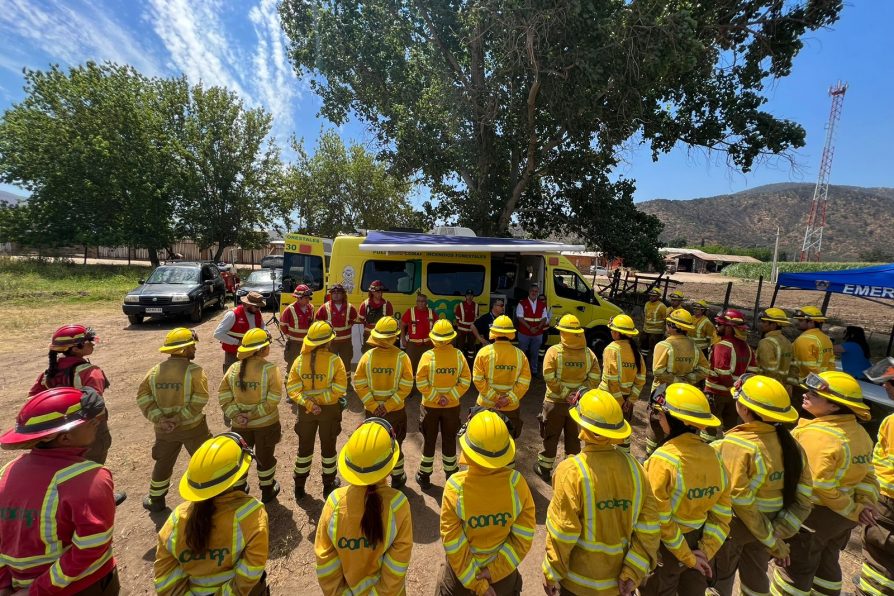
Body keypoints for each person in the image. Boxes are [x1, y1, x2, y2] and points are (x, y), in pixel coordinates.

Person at [0, 387, 119, 594]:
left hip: (19, 585)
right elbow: (92, 547)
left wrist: (4, 585)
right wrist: (37, 590)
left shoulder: (6, 472)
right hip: (82, 587)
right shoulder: (90, 478)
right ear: (65, 438)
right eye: (92, 423)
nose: (96, 424)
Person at [542, 389, 660, 596]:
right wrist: (633, 571)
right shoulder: (636, 470)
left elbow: (562, 532)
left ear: (583, 428)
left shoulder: (571, 471)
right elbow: (649, 528)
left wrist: (551, 573)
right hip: (619, 586)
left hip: (576, 585)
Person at [772, 371, 879, 596]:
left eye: (814, 394)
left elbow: (818, 485)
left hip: (813, 517)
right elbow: (869, 475)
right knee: (827, 563)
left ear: (834, 407)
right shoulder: (860, 433)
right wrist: (863, 504)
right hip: (842, 520)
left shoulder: (819, 436)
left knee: (796, 569)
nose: (806, 395)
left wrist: (854, 508)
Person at [711, 374, 813, 596]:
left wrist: (769, 536)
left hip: (734, 530)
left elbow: (739, 499)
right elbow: (805, 498)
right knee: (756, 582)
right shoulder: (793, 445)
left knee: (719, 582)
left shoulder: (737, 445)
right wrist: (777, 534)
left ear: (745, 410)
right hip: (770, 528)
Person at [640, 384, 732, 596]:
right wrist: (704, 551)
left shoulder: (662, 461)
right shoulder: (715, 457)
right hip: (700, 547)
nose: (659, 419)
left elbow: (658, 518)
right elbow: (723, 515)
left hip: (666, 550)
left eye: (660, 415)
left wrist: (686, 556)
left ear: (676, 420)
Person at [154, 433, 269, 595]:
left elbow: (164, 579)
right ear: (236, 476)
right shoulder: (251, 513)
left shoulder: (175, 519)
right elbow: (252, 569)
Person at [437, 410, 536, 595]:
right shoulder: (516, 483)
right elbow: (523, 537)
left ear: (467, 448)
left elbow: (453, 543)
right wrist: (495, 570)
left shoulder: (455, 487)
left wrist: (477, 583)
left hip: (461, 580)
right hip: (502, 581)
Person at [315, 418, 413, 595]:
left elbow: (325, 563)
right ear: (390, 468)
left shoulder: (334, 503)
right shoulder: (398, 505)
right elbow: (396, 568)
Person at [138, 328, 211, 513]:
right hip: (193, 428)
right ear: (184, 349)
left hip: (164, 431)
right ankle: (211, 496)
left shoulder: (154, 372)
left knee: (163, 463)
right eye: (192, 346)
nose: (194, 349)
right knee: (203, 460)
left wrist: (160, 419)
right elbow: (201, 399)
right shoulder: (194, 371)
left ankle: (156, 499)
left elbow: (143, 398)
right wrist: (179, 418)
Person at [29, 324, 112, 465]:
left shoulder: (48, 373)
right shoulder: (91, 372)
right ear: (75, 348)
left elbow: (32, 399)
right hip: (89, 431)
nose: (92, 344)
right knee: (89, 470)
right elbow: (96, 405)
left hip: (59, 433)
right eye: (89, 341)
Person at [533, 314, 601, 481]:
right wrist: (577, 395)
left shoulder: (553, 352)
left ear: (563, 333)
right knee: (573, 439)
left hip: (554, 402)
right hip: (577, 406)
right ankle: (571, 471)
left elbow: (548, 377)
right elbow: (595, 379)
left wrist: (564, 393)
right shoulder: (589, 354)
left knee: (550, 436)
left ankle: (545, 468)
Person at [219, 328, 283, 503]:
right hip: (266, 425)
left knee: (241, 459)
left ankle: (240, 490)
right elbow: (273, 399)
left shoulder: (233, 368)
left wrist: (237, 415)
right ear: (262, 350)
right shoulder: (270, 369)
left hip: (240, 426)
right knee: (265, 458)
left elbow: (224, 396)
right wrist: (253, 414)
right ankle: (267, 490)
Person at [288, 321, 348, 500]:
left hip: (305, 412)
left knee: (304, 450)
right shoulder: (335, 361)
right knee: (328, 449)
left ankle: (299, 486)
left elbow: (293, 389)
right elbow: (339, 389)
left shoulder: (299, 360)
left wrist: (309, 404)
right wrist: (320, 402)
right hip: (329, 411)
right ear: (328, 342)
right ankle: (328, 485)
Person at [353, 317, 415, 488]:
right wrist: (388, 406)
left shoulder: (367, 357)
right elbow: (406, 385)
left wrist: (374, 406)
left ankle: (375, 479)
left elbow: (359, 383)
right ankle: (398, 478)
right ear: (394, 336)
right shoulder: (402, 357)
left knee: (373, 445)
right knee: (396, 445)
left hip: (372, 412)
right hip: (395, 412)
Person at [415, 319, 472, 489]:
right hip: (451, 407)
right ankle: (451, 474)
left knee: (429, 439)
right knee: (449, 440)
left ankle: (424, 476)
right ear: (451, 337)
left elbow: (420, 381)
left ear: (433, 338)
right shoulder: (458, 355)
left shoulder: (427, 356)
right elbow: (465, 379)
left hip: (430, 407)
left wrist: (436, 397)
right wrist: (449, 397)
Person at [645, 309, 710, 455]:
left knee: (655, 425)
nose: (666, 326)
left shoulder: (664, 345)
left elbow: (658, 371)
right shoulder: (694, 347)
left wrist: (676, 380)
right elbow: (705, 369)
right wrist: (687, 380)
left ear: (674, 327)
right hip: (683, 394)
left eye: (668, 323)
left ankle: (651, 455)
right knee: (677, 424)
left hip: (662, 392)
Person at [858, 371, 894, 596]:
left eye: (889, 384)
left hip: (888, 500)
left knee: (879, 552)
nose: (885, 388)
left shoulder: (891, 422)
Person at [472, 315, 532, 439]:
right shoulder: (520, 355)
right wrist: (507, 399)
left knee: (483, 442)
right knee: (507, 443)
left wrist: (494, 398)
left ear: (493, 332)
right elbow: (524, 383)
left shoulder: (483, 353)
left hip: (485, 405)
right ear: (511, 334)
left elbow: (478, 380)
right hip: (510, 408)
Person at [704, 309, 758, 438]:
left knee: (708, 427)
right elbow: (752, 373)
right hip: (735, 396)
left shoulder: (722, 346)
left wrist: (731, 388)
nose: (717, 327)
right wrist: (737, 391)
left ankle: (707, 448)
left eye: (720, 324)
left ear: (729, 328)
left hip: (716, 394)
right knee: (730, 427)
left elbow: (722, 372)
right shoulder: (748, 348)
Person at [598, 314, 647, 454]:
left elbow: (611, 380)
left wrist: (619, 401)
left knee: (603, 432)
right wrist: (630, 400)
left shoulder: (611, 349)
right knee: (623, 433)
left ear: (618, 333)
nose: (611, 332)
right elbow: (641, 379)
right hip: (627, 402)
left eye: (613, 330)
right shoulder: (637, 353)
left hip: (609, 399)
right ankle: (623, 460)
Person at [214, 291, 265, 374]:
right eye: (256, 307)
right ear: (246, 304)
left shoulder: (257, 313)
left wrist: (266, 332)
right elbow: (218, 334)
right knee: (232, 376)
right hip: (234, 353)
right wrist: (237, 342)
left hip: (252, 352)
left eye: (260, 307)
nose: (259, 309)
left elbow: (262, 325)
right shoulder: (232, 315)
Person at [315, 283, 360, 373]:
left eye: (339, 293)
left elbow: (354, 319)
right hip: (331, 343)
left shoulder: (350, 307)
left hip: (345, 343)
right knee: (330, 363)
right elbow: (318, 321)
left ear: (343, 294)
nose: (336, 295)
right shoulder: (325, 307)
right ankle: (331, 383)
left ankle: (347, 383)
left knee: (346, 363)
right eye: (334, 293)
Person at [755, 307, 796, 391]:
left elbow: (770, 370)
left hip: (767, 386)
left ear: (773, 325)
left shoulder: (765, 343)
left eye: (764, 322)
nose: (761, 324)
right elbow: (793, 366)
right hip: (783, 386)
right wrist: (788, 384)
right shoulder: (787, 341)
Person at [280, 283, 315, 375]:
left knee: (306, 364)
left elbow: (311, 323)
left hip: (307, 343)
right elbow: (283, 326)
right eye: (306, 298)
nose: (308, 300)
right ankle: (289, 384)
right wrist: (290, 336)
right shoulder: (289, 309)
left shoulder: (311, 308)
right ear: (298, 298)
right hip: (294, 344)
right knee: (292, 365)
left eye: (309, 298)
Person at [516, 283, 549, 378]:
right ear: (529, 292)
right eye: (532, 291)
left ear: (538, 293)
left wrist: (538, 328)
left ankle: (534, 371)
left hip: (537, 333)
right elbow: (520, 317)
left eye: (536, 291)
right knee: (522, 353)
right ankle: (521, 371)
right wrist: (530, 328)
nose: (534, 293)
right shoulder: (522, 303)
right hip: (524, 333)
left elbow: (544, 318)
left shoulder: (542, 305)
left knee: (535, 353)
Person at [401, 291, 436, 372]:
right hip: (413, 345)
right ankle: (412, 383)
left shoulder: (431, 312)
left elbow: (437, 326)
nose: (420, 303)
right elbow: (402, 324)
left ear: (426, 303)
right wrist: (403, 338)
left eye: (423, 301)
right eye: (418, 301)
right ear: (416, 302)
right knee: (411, 366)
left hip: (428, 345)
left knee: (426, 366)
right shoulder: (410, 311)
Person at [358, 280, 394, 354]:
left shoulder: (387, 304)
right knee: (368, 355)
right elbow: (361, 319)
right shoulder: (364, 304)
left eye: (381, 292)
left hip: (382, 336)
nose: (380, 294)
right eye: (378, 292)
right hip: (369, 336)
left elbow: (390, 321)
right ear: (372, 292)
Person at [641, 289, 668, 363]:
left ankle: (654, 363)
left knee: (655, 349)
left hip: (657, 332)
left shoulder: (662, 306)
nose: (651, 297)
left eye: (653, 296)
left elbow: (666, 319)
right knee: (644, 347)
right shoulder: (647, 304)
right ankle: (643, 362)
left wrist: (665, 331)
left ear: (658, 297)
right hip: (646, 330)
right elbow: (645, 315)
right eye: (650, 296)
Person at [454, 290, 479, 359]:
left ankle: (470, 360)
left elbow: (476, 318)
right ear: (465, 296)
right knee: (460, 346)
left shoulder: (476, 305)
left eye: (471, 295)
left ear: (473, 296)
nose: (469, 297)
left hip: (472, 330)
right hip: (462, 329)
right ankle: (460, 359)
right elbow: (457, 318)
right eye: (468, 295)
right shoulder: (460, 305)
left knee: (471, 346)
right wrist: (459, 327)